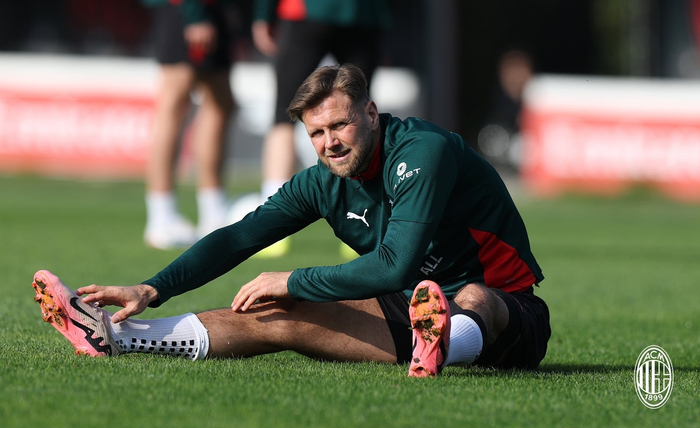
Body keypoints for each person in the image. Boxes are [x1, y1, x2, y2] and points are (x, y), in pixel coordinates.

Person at [32, 64, 550, 377]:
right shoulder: (321, 181)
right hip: (412, 307)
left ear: (371, 114)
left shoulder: (422, 151)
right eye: (316, 133)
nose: (330, 143)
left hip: (510, 313)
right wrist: (152, 287)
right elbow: (238, 238)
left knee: (474, 298)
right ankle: (113, 335)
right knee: (279, 313)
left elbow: (393, 266)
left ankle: (445, 345)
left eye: (340, 124)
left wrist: (293, 277)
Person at [246, 0, 392, 256]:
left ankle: (271, 225)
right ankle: (369, 219)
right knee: (362, 116)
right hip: (362, 13)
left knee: (283, 117)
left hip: (309, 11)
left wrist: (263, 14)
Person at [142, 0, 236, 249]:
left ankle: (213, 211)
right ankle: (161, 216)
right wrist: (194, 15)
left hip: (212, 10)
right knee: (174, 101)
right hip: (184, 9)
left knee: (221, 101)